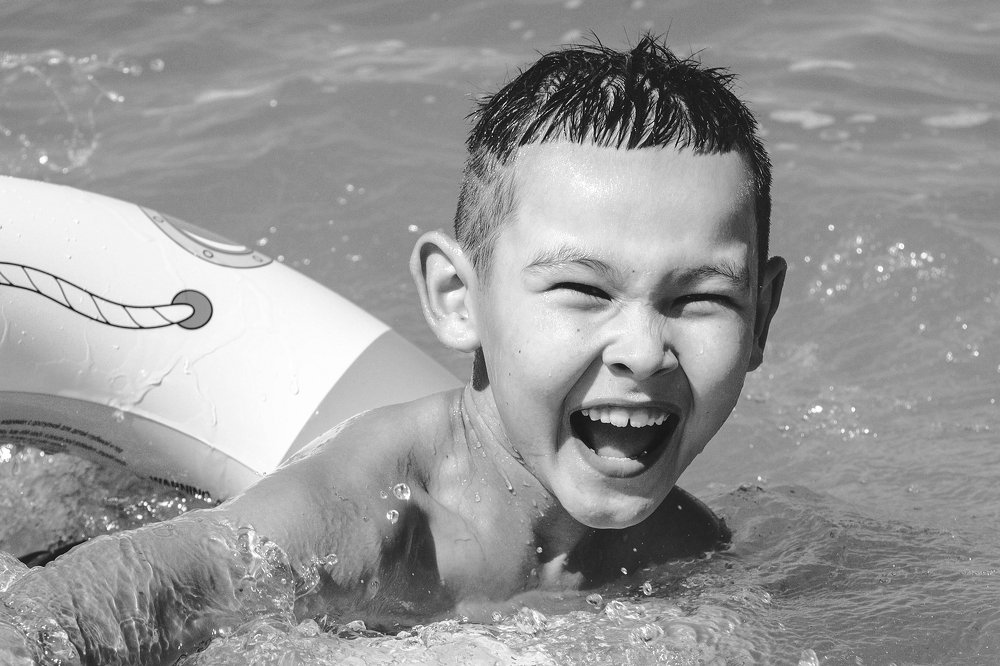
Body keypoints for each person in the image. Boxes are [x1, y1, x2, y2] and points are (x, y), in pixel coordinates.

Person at [0, 34, 785, 664]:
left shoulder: (692, 554)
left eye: (701, 298)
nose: (643, 351)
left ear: (762, 315)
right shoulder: (366, 521)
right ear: (457, 297)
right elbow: (86, 608)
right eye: (584, 289)